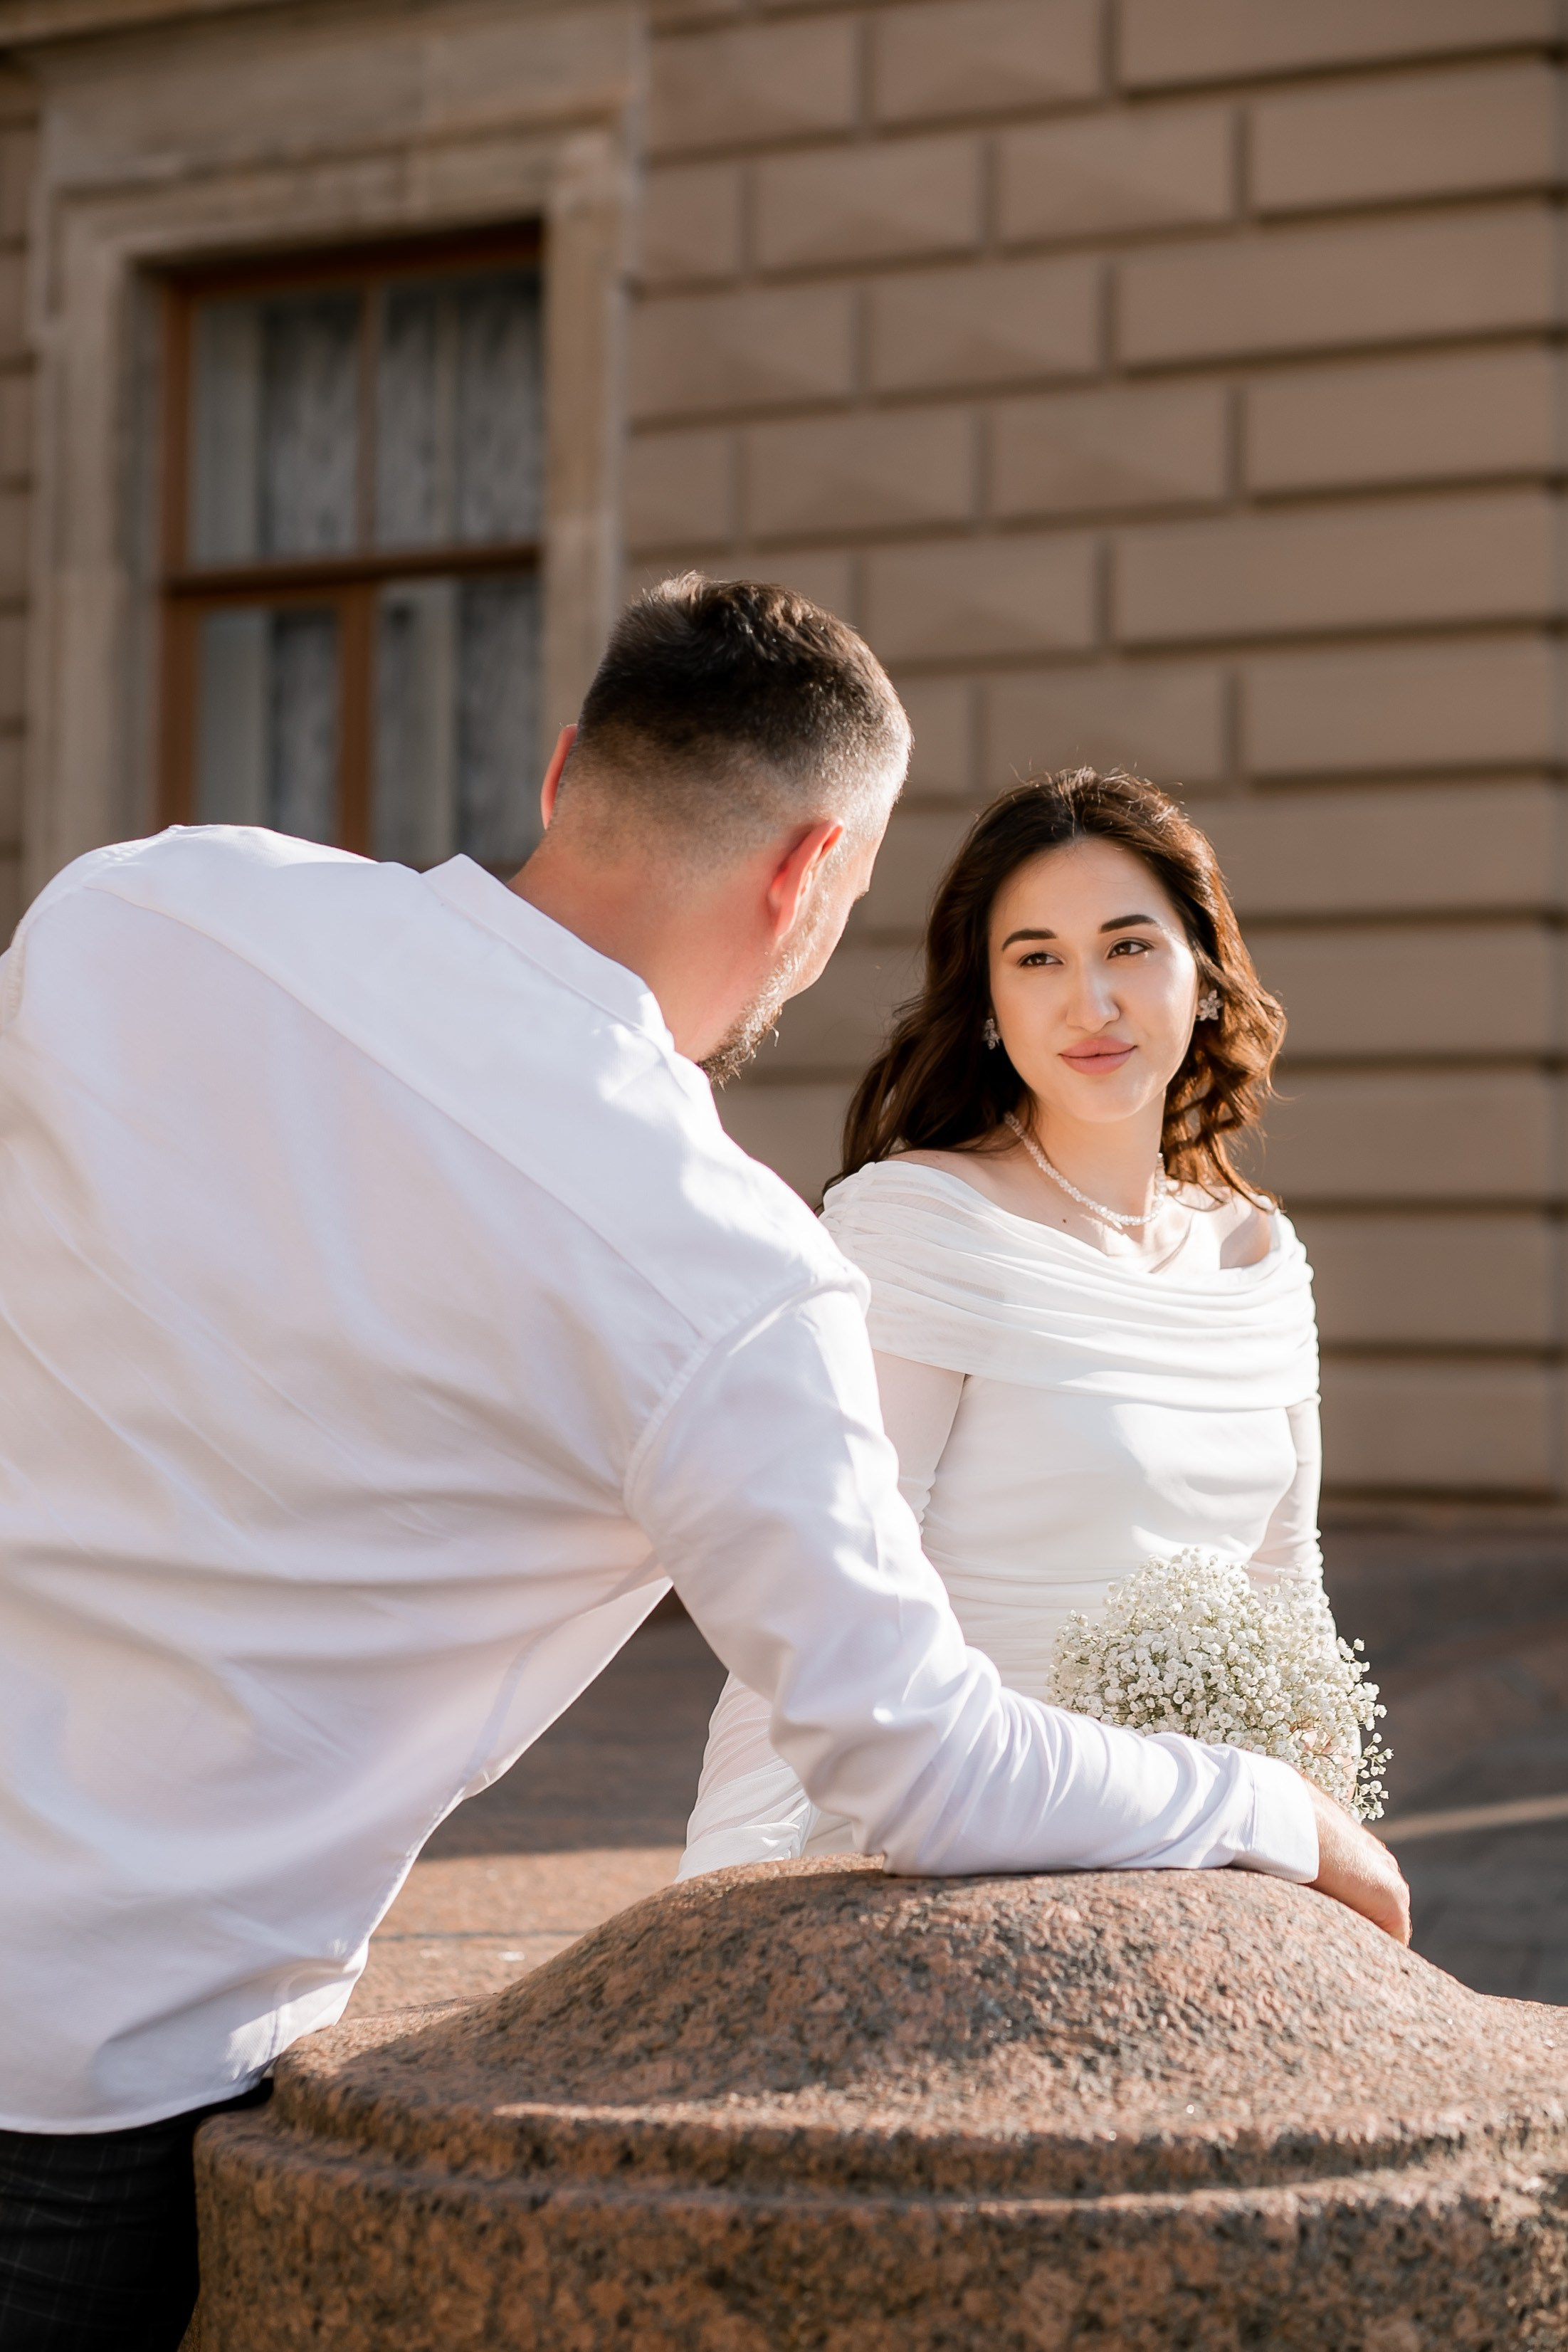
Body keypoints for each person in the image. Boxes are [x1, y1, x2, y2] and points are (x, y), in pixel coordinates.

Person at [0, 579, 1405, 2352]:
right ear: (812, 877)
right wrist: (1271, 1808)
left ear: (567, 764)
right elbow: (921, 1758)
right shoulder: (723, 1272)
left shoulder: (149, 902)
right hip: (94, 2066)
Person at [683, 768, 1341, 1874]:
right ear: (989, 1007)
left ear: (1208, 978)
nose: (1091, 1003)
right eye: (1038, 959)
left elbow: (1289, 1588)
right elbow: (817, 1601)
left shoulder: (1258, 1255)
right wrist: (730, 1885)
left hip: (1210, 1857)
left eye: (1129, 947)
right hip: (962, 1852)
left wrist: (1326, 1855)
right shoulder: (921, 1226)